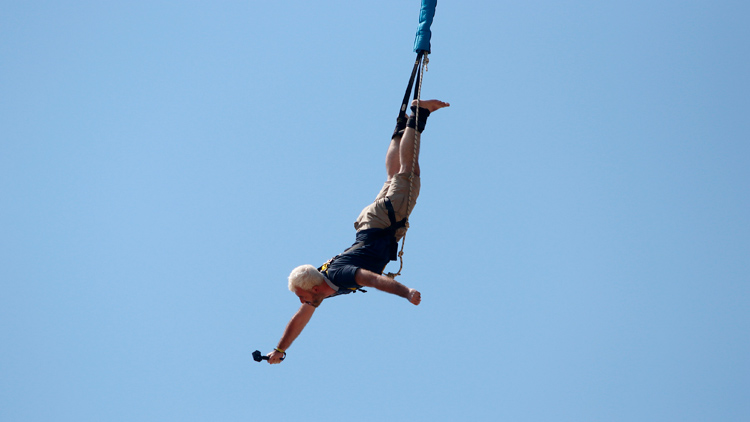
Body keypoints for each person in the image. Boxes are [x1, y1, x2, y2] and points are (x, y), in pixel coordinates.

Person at [265, 99, 450, 364]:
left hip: (384, 222)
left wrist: (406, 292)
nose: (300, 301)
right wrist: (280, 349)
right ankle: (401, 130)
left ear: (314, 289)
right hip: (370, 222)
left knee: (408, 173)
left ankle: (419, 114)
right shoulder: (321, 282)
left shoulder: (339, 276)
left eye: (301, 296)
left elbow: (373, 280)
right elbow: (299, 320)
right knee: (393, 176)